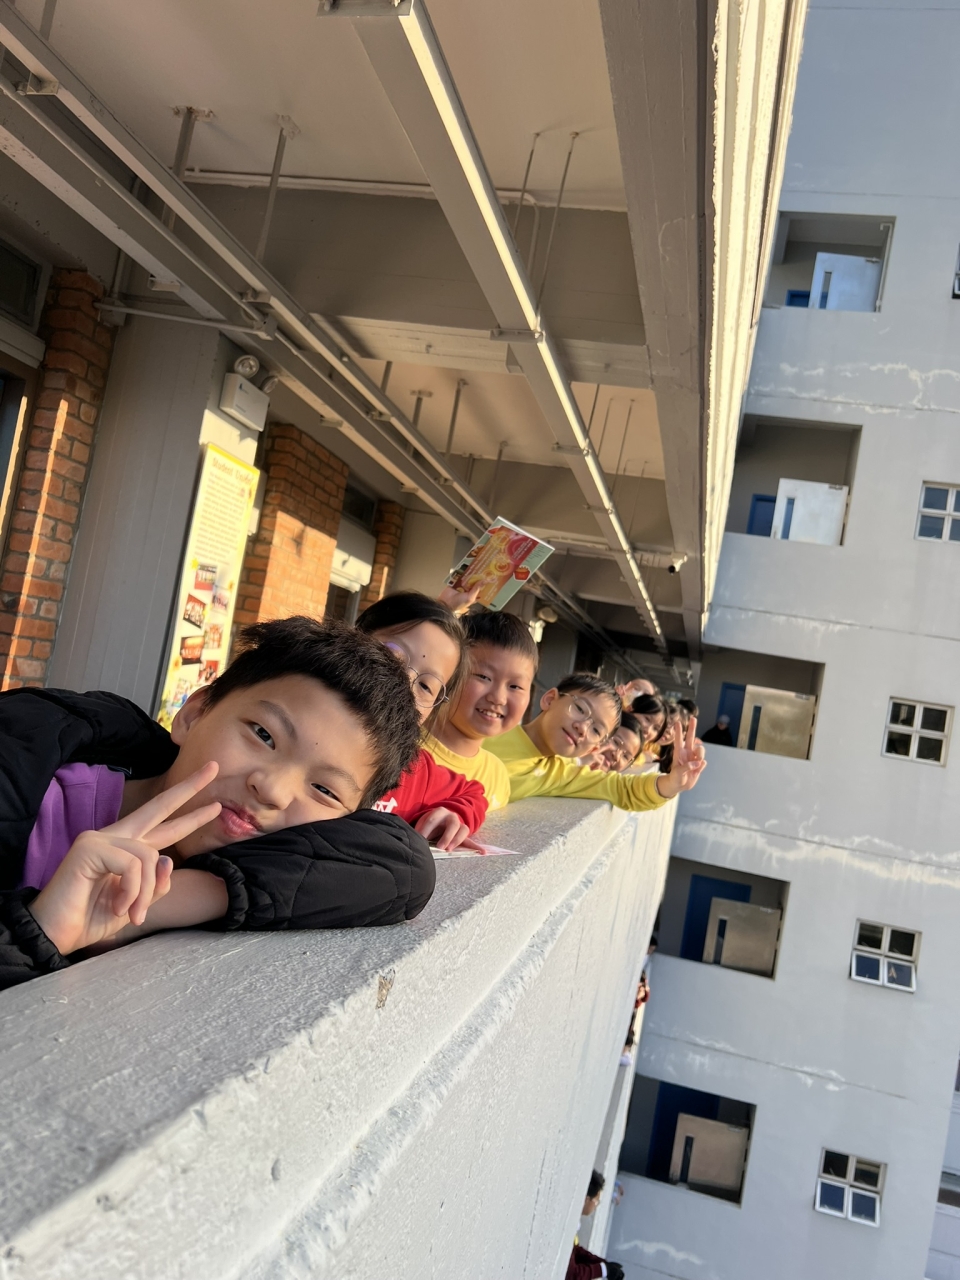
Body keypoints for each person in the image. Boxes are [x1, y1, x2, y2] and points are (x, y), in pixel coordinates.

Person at [0, 618, 432, 990]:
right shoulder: (31, 798)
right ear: (194, 714)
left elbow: (406, 867)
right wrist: (42, 930)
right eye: (263, 735)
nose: (273, 789)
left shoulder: (264, 859)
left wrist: (161, 905)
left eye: (324, 790)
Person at [357, 592, 488, 850]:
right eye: (391, 657)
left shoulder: (416, 771)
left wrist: (454, 814)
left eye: (426, 686)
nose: (404, 683)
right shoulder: (291, 723)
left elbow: (472, 793)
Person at [487, 674, 706, 808]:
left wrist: (672, 783)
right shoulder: (486, 728)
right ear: (550, 699)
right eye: (580, 709)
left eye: (596, 730)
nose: (582, 728)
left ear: (596, 745)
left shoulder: (559, 775)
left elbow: (622, 789)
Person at [428, 610, 536, 813]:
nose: (498, 698)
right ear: (450, 672)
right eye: (484, 677)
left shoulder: (497, 776)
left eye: (515, 686)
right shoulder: (399, 747)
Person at [566, 1171, 625, 1280]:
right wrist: (603, 1269)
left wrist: (604, 1265)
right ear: (586, 1199)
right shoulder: (567, 1227)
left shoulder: (571, 1221)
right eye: (596, 1201)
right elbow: (573, 1274)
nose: (596, 1206)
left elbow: (576, 1251)